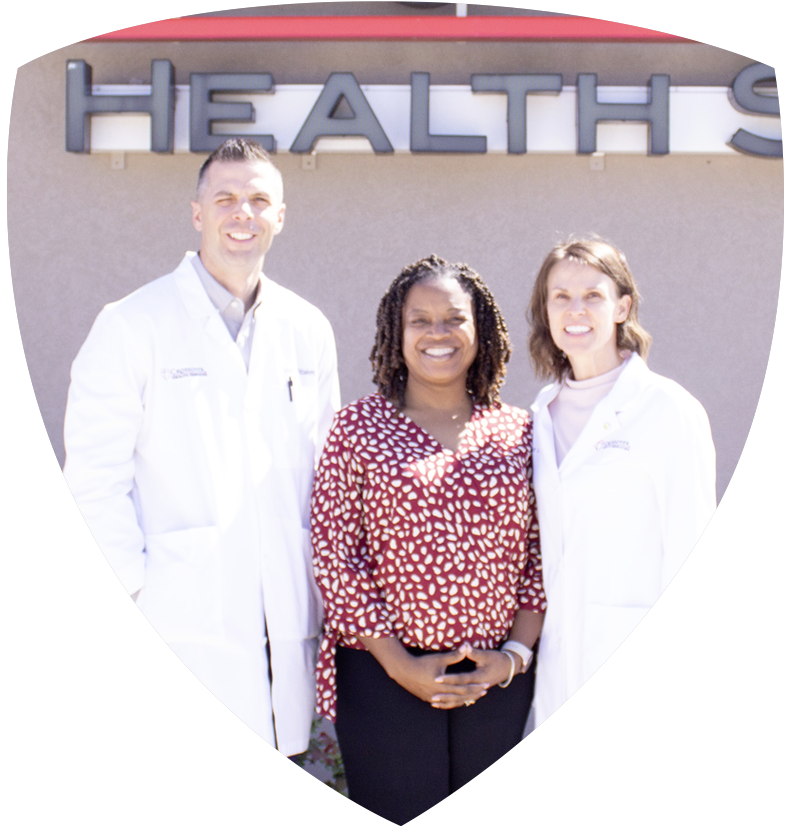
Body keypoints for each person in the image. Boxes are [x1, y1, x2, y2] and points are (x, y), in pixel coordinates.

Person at [63, 138, 340, 756]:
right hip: (175, 627)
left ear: (280, 217)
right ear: (197, 213)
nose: (243, 212)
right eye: (226, 198)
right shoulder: (132, 324)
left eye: (259, 200)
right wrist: (134, 598)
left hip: (282, 632)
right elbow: (91, 483)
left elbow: (323, 475)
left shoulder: (307, 329)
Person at [311, 254, 546, 824]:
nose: (437, 333)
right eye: (420, 320)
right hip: (382, 675)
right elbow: (333, 552)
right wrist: (398, 664)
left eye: (453, 319)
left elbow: (542, 556)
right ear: (397, 330)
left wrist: (513, 657)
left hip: (498, 678)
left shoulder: (522, 431)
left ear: (479, 328)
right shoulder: (356, 428)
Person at [526, 236, 716, 728]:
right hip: (559, 671)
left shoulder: (667, 409)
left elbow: (693, 552)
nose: (576, 309)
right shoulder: (539, 417)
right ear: (545, 311)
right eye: (560, 296)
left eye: (593, 295)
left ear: (622, 306)